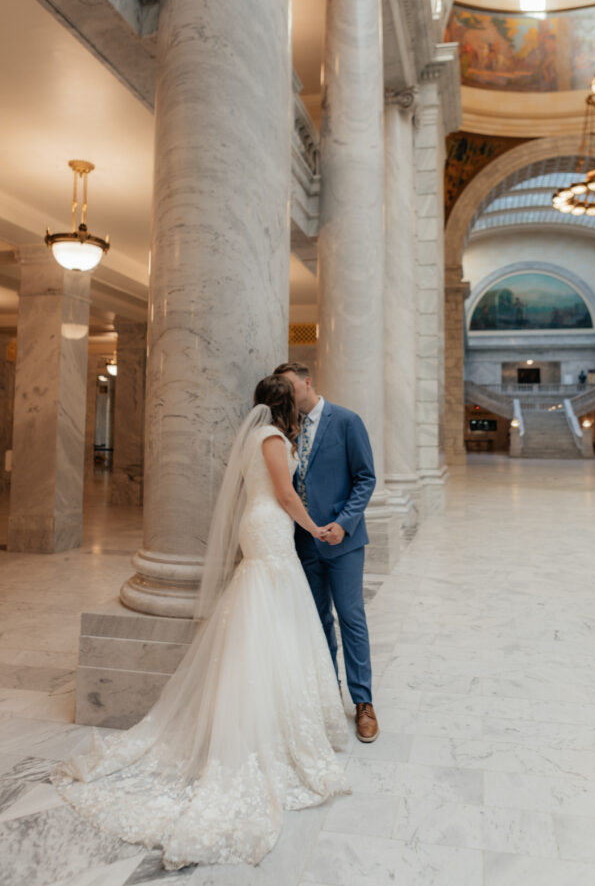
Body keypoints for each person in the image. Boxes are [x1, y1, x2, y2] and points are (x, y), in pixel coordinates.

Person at [52, 375, 349, 869]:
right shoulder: (272, 439)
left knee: (267, 610)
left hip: (262, 526)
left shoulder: (257, 436)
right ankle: (267, 728)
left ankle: (271, 714)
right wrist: (315, 528)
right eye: (294, 398)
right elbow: (284, 495)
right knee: (270, 608)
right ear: (284, 405)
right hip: (270, 526)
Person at [274, 361, 379, 744]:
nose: (287, 396)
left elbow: (366, 477)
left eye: (290, 388)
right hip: (303, 544)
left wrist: (344, 523)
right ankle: (328, 695)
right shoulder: (285, 430)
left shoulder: (347, 421)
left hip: (344, 542)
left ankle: (364, 703)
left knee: (351, 618)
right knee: (317, 621)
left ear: (307, 382)